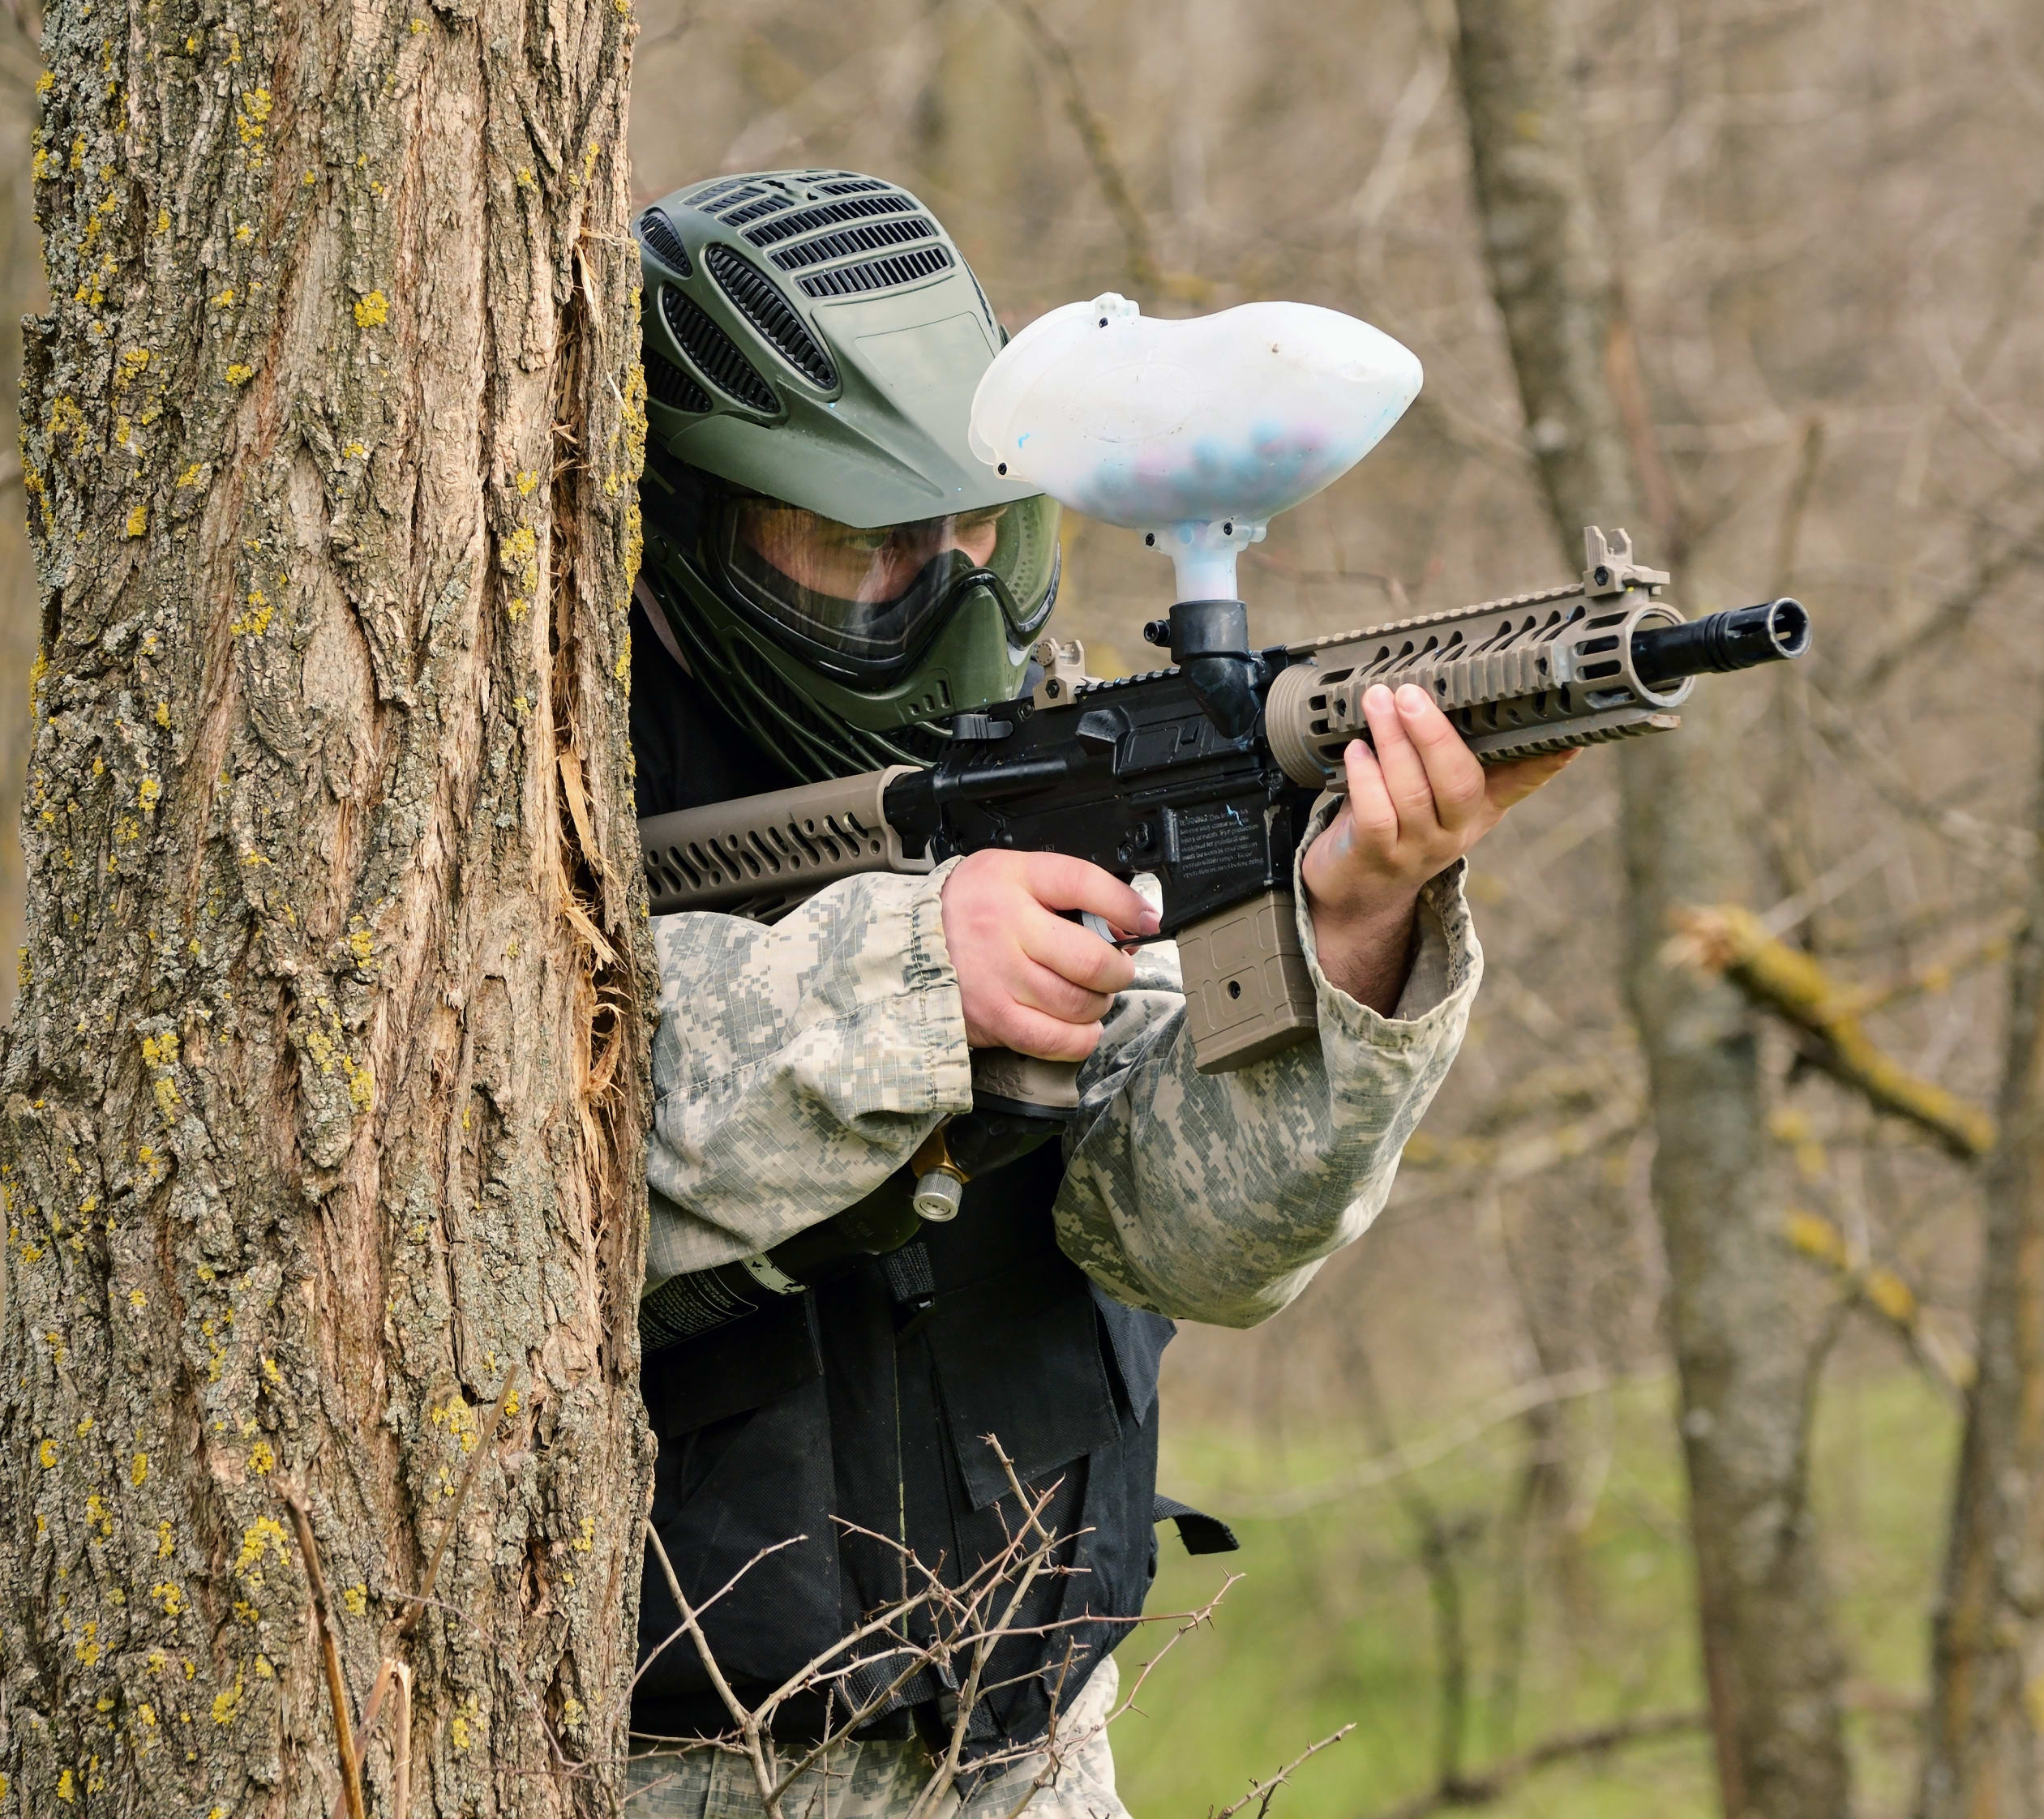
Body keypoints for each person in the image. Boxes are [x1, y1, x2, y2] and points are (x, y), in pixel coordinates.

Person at [623, 169, 1567, 1819]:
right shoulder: (546, 757)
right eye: (863, 545)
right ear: (709, 530)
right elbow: (516, 1130)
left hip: (1033, 1744)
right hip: (665, 1768)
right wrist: (922, 972)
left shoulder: (1047, 741)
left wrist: (1350, 927)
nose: (949, 599)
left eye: (984, 532)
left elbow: (1189, 1237)